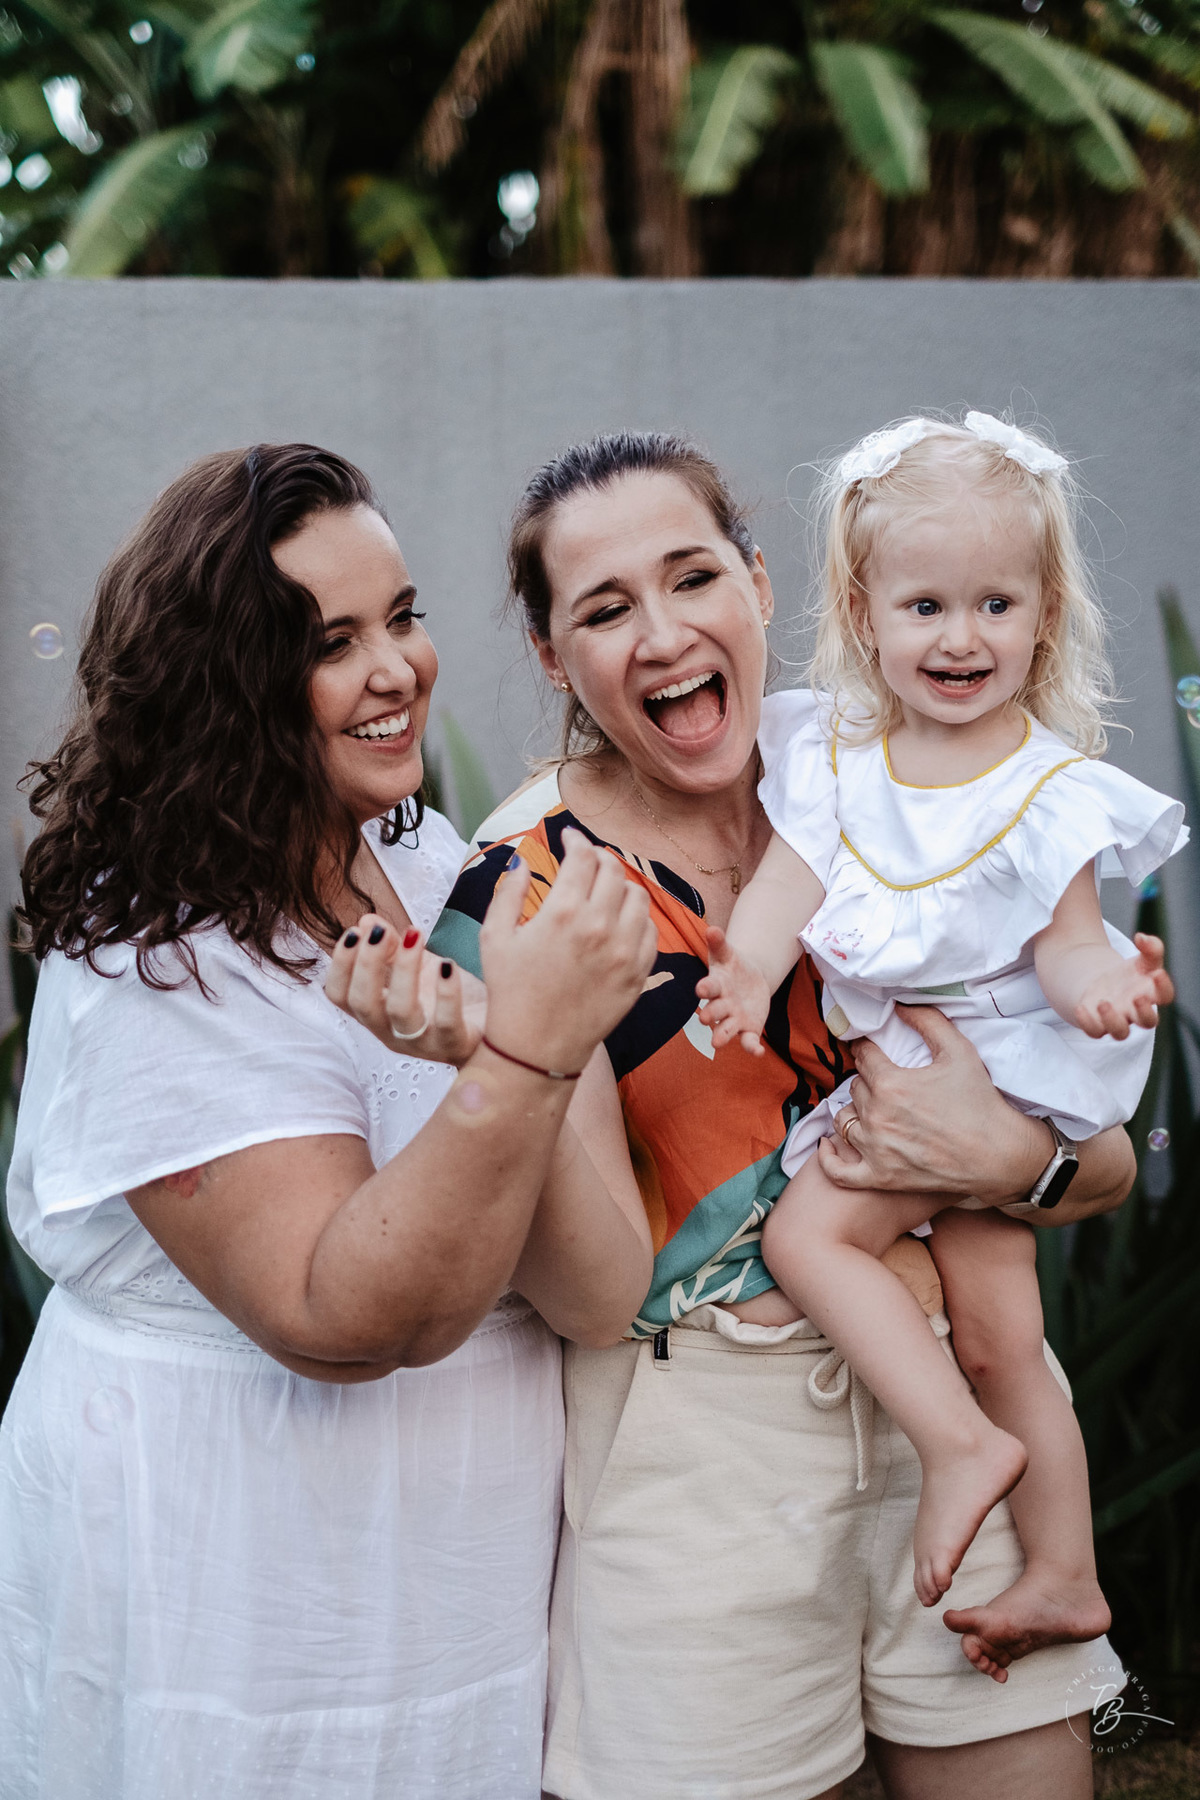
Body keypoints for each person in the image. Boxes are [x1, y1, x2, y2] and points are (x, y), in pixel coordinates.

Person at [334, 430, 1135, 1800]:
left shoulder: (914, 773)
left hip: (970, 1378)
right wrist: (522, 1052)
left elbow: (1099, 1151)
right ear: (551, 656)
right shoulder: (521, 894)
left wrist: (1015, 1154)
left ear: (762, 585)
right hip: (709, 1464)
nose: (661, 635)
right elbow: (591, 1299)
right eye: (602, 608)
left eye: (692, 576)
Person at [0, 443, 656, 1800]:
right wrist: (526, 1058)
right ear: (224, 685)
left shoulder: (430, 859)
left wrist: (496, 1052)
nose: (397, 669)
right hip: (234, 1563)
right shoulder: (156, 947)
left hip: (450, 1568)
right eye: (329, 641)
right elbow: (342, 1322)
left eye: (403, 616)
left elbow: (597, 1295)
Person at [697, 412, 1184, 1673]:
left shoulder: (1046, 786)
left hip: (996, 1075)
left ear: (1045, 612)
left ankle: (965, 1448)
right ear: (863, 615)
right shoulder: (837, 759)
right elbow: (785, 894)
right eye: (924, 606)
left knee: (812, 1239)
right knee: (999, 1337)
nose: (960, 637)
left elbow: (1071, 941)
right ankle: (1066, 1578)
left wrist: (1103, 994)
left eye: (994, 604)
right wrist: (745, 973)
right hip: (921, 1082)